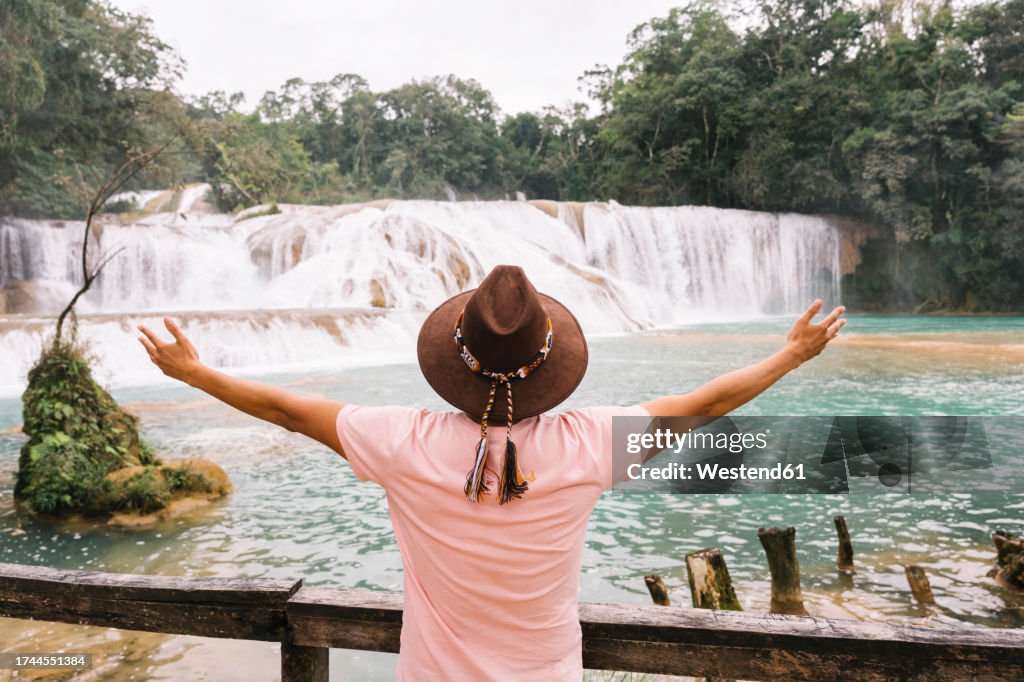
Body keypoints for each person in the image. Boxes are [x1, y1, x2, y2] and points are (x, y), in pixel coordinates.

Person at [137, 264, 845, 681]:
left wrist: (194, 373)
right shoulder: (590, 443)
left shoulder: (399, 442)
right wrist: (790, 356)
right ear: (551, 361)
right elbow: (706, 403)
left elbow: (290, 411)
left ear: (454, 359)